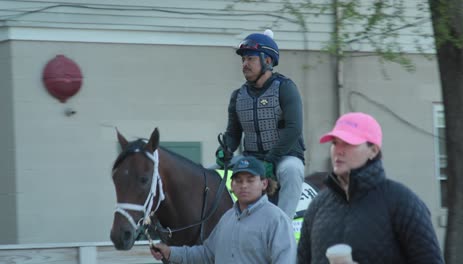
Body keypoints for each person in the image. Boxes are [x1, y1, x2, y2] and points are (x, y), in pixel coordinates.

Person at [297, 112, 444, 264]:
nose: (338, 150)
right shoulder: (317, 206)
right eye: (335, 142)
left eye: (348, 143)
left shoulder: (402, 203)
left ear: (373, 150)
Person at [216, 29, 306, 219]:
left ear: (267, 61)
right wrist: (225, 149)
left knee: (292, 170)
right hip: (252, 158)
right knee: (208, 173)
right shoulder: (238, 96)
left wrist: (271, 160)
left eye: (250, 59)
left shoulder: (285, 88)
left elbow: (294, 129)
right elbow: (233, 133)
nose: (245, 64)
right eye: (243, 60)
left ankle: (283, 225)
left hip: (284, 157)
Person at [151, 156, 296, 264]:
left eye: (250, 180)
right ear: (232, 185)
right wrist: (170, 252)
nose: (244, 185)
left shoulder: (277, 220)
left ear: (264, 184)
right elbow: (206, 254)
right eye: (238, 181)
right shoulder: (227, 218)